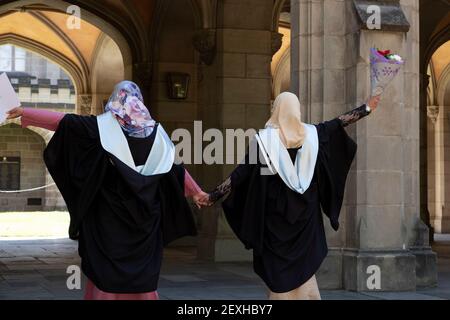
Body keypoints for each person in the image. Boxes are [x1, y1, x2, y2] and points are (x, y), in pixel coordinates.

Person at [7, 81, 208, 300]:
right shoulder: (156, 132)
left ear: (116, 99)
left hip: (108, 218)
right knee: (141, 272)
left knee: (107, 271)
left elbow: (62, 121)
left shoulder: (101, 126)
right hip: (145, 221)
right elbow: (175, 168)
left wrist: (23, 112)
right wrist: (196, 192)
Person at [202, 92, 381, 300]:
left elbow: (240, 174)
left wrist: (212, 196)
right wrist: (365, 109)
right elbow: (338, 123)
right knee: (304, 270)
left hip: (275, 223)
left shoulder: (265, 142)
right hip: (305, 220)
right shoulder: (313, 135)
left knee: (279, 275)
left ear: (277, 110)